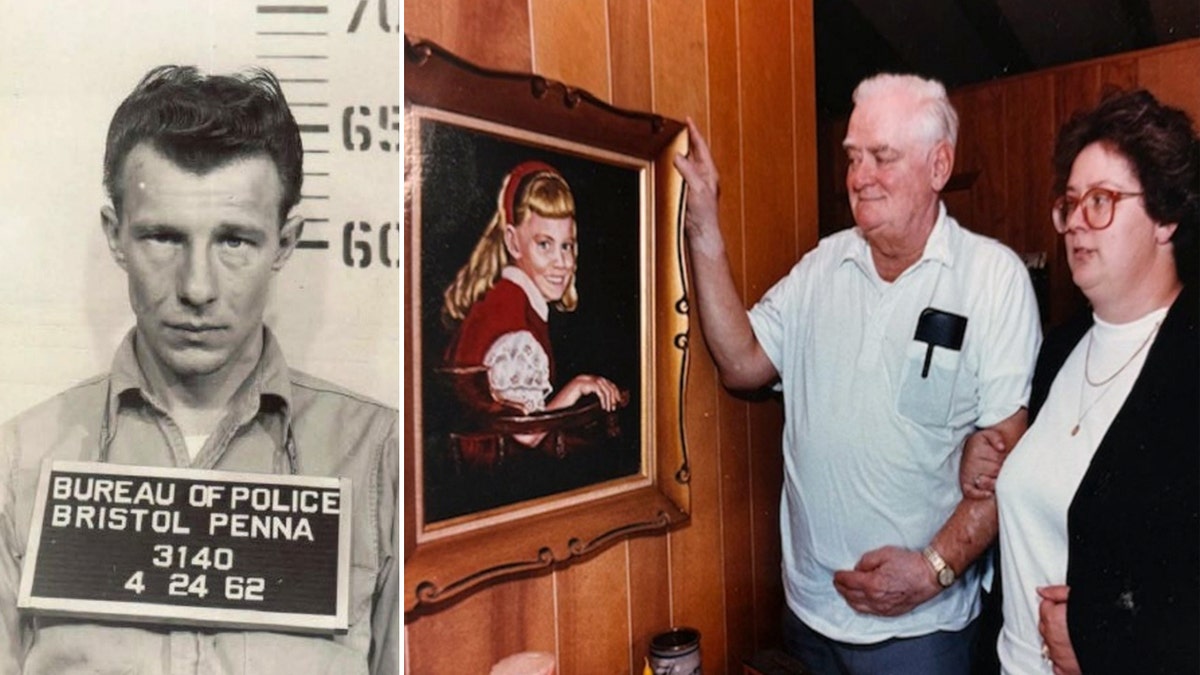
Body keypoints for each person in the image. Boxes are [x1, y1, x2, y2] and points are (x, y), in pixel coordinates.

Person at [0, 66, 398, 674]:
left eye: (235, 240)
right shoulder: (16, 464)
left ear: (285, 244)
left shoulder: (382, 461)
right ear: (116, 236)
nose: (197, 288)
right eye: (163, 237)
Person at [672, 73, 1042, 674]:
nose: (858, 176)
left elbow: (1006, 464)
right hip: (810, 615)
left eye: (881, 157)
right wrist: (704, 230)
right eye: (852, 157)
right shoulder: (823, 265)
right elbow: (742, 364)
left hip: (921, 633)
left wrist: (931, 571)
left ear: (939, 165)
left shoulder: (991, 279)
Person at [963, 89, 1199, 674]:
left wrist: (1106, 643)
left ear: (1166, 216)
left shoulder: (1189, 362)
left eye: (1102, 201)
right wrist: (991, 456)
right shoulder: (1062, 346)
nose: (1075, 224)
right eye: (1069, 204)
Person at [442, 160, 621, 447]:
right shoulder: (514, 324)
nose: (562, 263)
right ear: (513, 243)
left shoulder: (503, 297)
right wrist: (577, 388)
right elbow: (527, 433)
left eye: (567, 246)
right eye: (544, 245)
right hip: (488, 474)